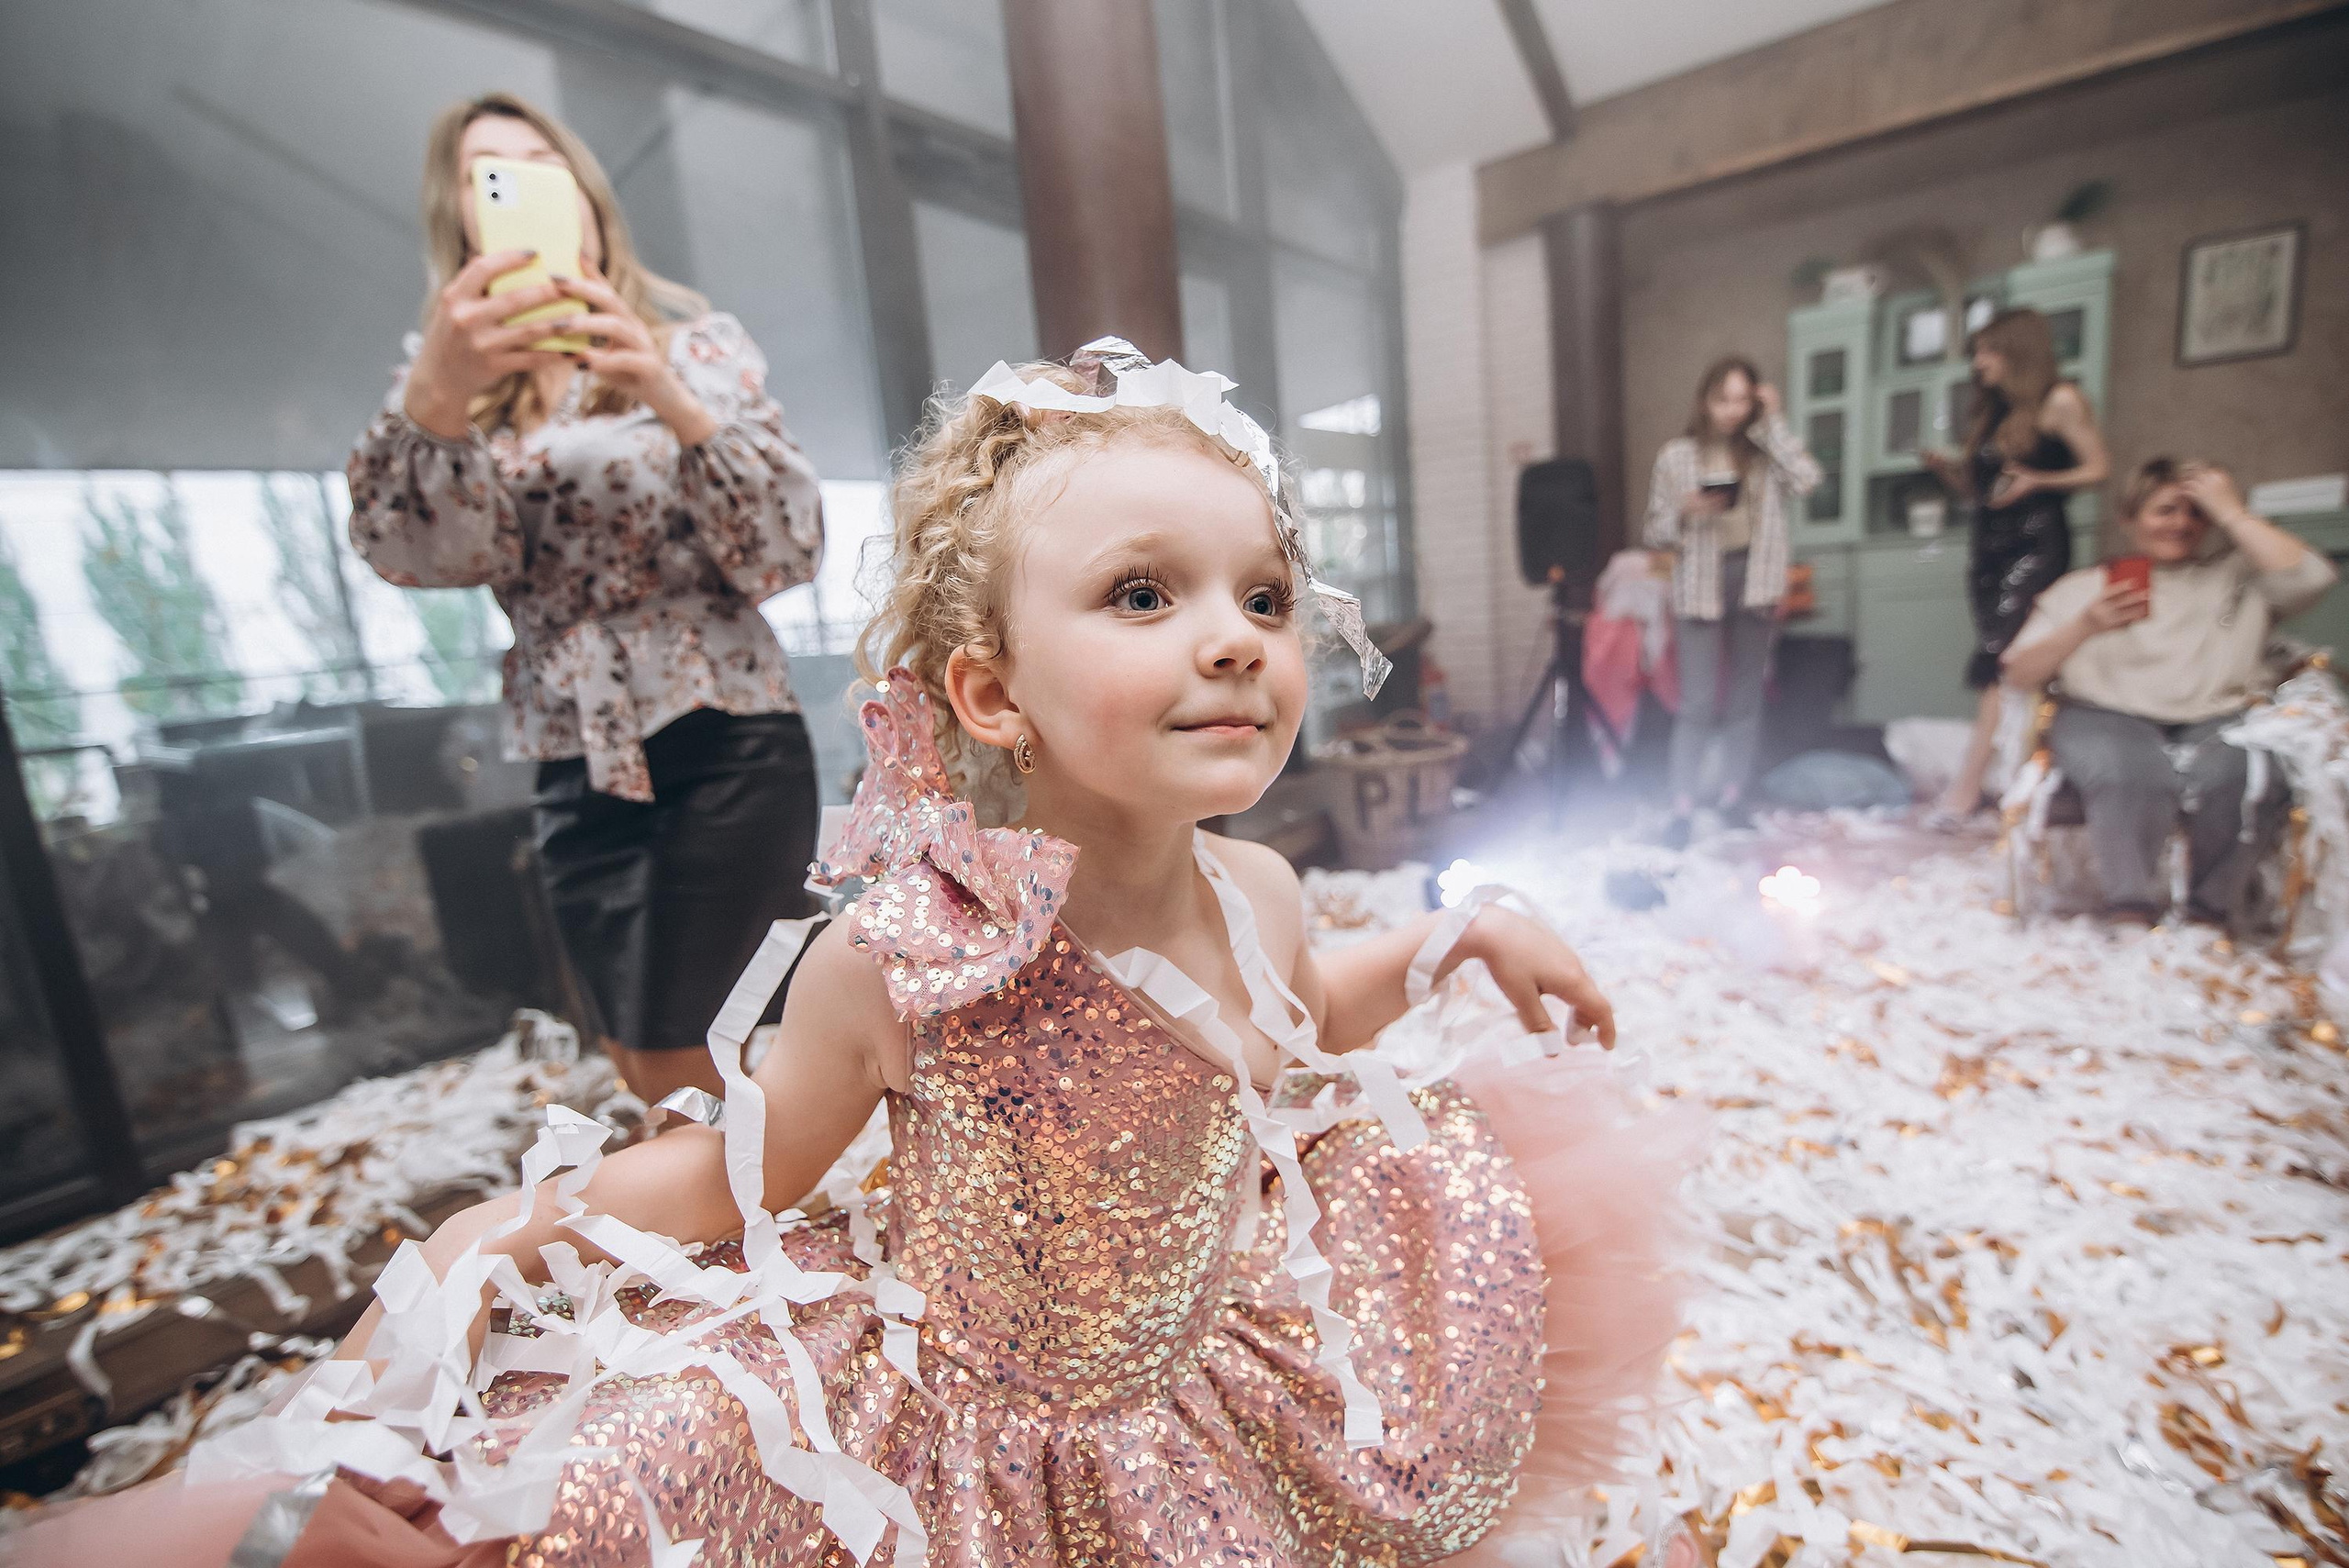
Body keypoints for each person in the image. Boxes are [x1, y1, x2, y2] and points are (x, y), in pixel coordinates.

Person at [17, 342, 1693, 1566]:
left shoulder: (1257, 880)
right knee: (594, 1510)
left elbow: (1301, 1003)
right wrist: (518, 1222)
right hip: (963, 1432)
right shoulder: (912, 957)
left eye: (1263, 595)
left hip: (1199, 1381)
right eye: (1141, 593)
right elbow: (737, 1178)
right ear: (987, 692)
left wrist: (1458, 926)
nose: (1233, 639)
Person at [349, 94, 827, 1106]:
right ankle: (719, 1244)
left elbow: (788, 550)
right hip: (574, 754)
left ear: (587, 197)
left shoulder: (698, 349)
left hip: (723, 735)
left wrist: (663, 390)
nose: (521, 188)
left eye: (540, 164)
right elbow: (416, 558)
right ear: (462, 222)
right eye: (491, 177)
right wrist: (435, 395)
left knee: (682, 1049)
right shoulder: (444, 390)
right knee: (633, 1054)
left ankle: (745, 1241)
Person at [2001, 460, 2334, 926]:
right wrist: (2085, 626)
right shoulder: (2083, 588)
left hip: (2218, 715)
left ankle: (2208, 913)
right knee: (2129, 771)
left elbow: (2316, 577)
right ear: (2129, 518)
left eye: (2196, 513)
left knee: (2248, 774)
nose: (2181, 523)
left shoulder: (2238, 578)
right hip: (2104, 714)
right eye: (2165, 510)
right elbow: (2018, 673)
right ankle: (2130, 909)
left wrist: (2233, 513)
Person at [1920, 307, 2110, 827]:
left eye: (1988, 350)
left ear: (2016, 351)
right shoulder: (1995, 413)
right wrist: (1949, 474)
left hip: (2036, 547)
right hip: (1987, 551)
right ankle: (2015, 782)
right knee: (2006, 667)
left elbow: (2099, 468)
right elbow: (1983, 495)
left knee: (2001, 666)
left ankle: (1966, 790)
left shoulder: (2061, 401)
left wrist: (2038, 482)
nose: (1978, 362)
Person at [1642, 355, 1821, 842]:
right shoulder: (1676, 455)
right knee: (1697, 702)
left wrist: (1773, 422)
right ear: (1705, 400)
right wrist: (1685, 509)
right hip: (1699, 579)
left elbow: (1807, 480)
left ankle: (1731, 798)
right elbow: (1654, 531)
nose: (1732, 410)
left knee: (1746, 698)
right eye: (1724, 399)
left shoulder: (1762, 450)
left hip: (1755, 575)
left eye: (1743, 400)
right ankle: (1681, 805)